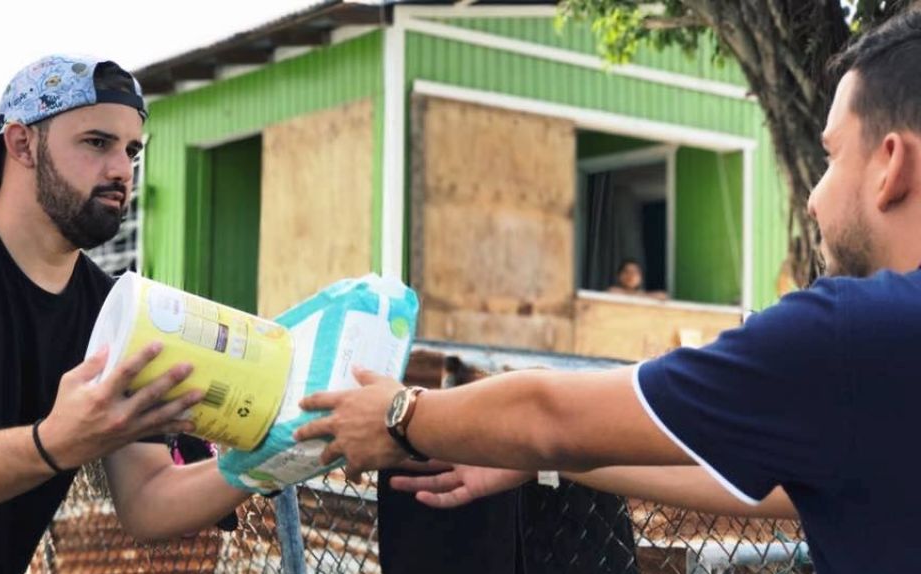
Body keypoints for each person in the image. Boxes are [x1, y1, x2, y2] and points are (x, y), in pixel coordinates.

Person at [294, 9, 921, 573]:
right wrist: (547, 459)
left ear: (890, 164)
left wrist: (402, 417)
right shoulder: (866, 384)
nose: (812, 197)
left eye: (832, 158)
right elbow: (778, 485)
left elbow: (550, 414)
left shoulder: (851, 335)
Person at [0, 55, 257, 574]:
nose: (121, 169)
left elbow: (149, 500)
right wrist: (55, 442)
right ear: (22, 144)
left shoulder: (117, 312)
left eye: (132, 150)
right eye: (96, 142)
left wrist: (265, 464)